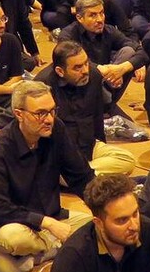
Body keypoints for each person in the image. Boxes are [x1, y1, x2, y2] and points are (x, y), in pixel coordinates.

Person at [0, 80, 92, 264]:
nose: (49, 119)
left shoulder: (56, 129)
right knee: (15, 238)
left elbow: (81, 176)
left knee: (96, 227)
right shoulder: (0, 148)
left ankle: (38, 253)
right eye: (40, 113)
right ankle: (58, 247)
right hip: (9, 224)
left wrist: (105, 208)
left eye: (52, 111)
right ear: (19, 114)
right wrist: (47, 223)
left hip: (51, 218)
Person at [37, 39, 137, 176]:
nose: (85, 71)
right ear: (60, 71)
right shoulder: (42, 86)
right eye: (77, 67)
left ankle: (78, 175)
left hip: (89, 146)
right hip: (58, 153)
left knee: (127, 160)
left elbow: (97, 116)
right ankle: (80, 175)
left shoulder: (94, 75)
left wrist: (101, 144)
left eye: (86, 63)